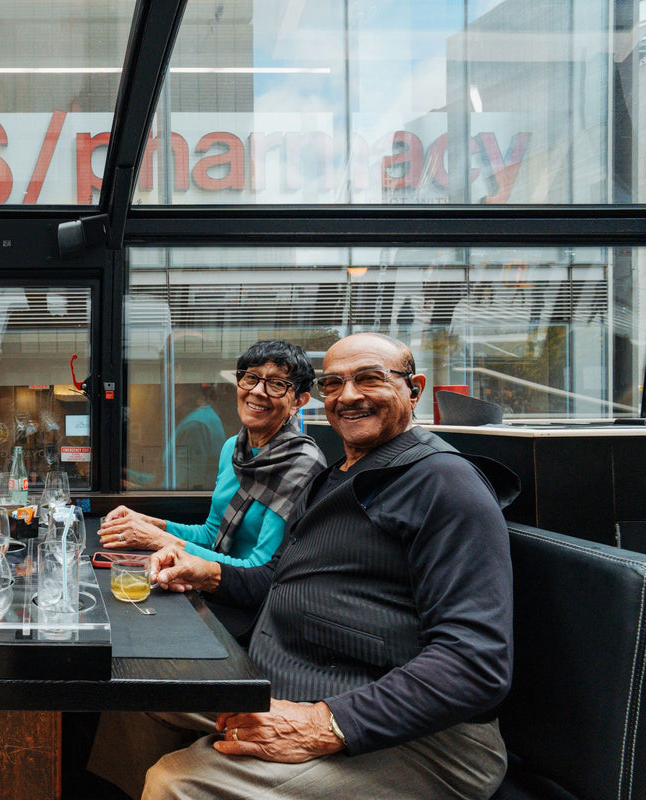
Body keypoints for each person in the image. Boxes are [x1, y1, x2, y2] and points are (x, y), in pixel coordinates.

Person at [134, 332, 519, 800]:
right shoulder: (335, 477)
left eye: (369, 378)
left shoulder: (445, 483)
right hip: (285, 675)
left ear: (414, 389)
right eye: (333, 383)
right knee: (135, 693)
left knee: (178, 783)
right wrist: (206, 571)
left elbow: (475, 661)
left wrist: (323, 723)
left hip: (421, 736)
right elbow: (276, 578)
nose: (348, 396)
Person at [98, 340, 326, 569]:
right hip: (214, 578)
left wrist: (158, 539)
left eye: (277, 384)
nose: (257, 391)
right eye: (250, 378)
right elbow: (211, 536)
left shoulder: (301, 464)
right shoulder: (233, 447)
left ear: (299, 401)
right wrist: (149, 523)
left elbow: (260, 570)